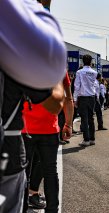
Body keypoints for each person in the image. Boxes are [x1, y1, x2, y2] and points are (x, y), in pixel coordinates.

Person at [0, 1, 66, 213]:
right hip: (13, 144)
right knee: (49, 170)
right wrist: (56, 78)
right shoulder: (14, 37)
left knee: (33, 171)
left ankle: (34, 197)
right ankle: (52, 209)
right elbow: (58, 102)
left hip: (27, 130)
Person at [22, 73, 73, 213]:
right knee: (50, 172)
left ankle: (21, 208)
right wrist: (68, 124)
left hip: (24, 128)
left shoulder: (21, 62)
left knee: (22, 174)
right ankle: (52, 210)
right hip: (49, 129)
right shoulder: (58, 66)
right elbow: (68, 98)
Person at [74, 55, 98, 147]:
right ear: (91, 62)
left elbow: (77, 86)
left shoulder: (79, 72)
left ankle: (86, 140)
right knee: (91, 118)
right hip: (92, 97)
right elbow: (95, 85)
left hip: (83, 97)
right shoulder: (94, 72)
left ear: (82, 62)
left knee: (84, 119)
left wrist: (75, 99)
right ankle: (92, 139)